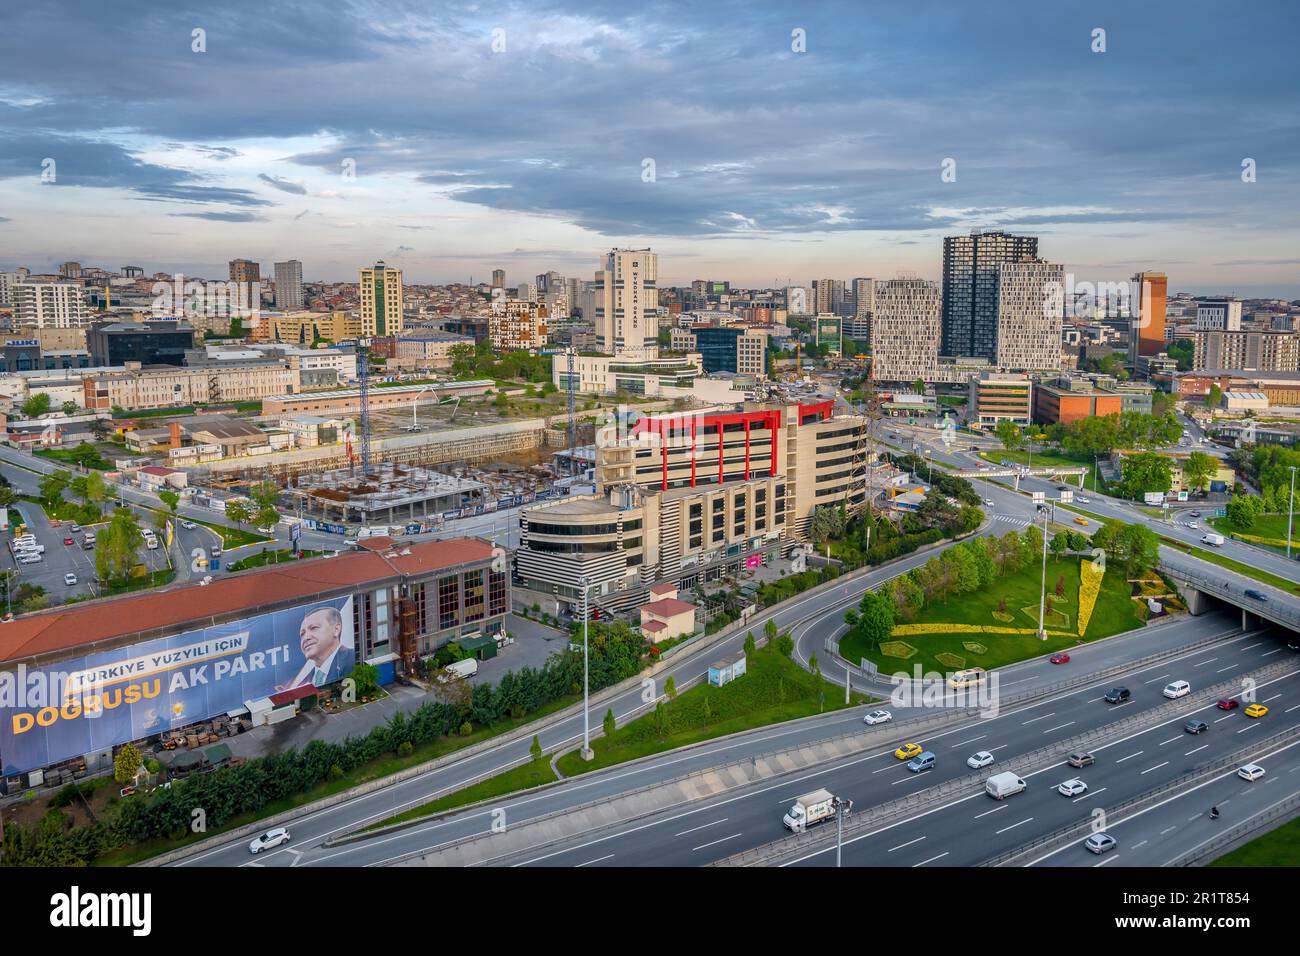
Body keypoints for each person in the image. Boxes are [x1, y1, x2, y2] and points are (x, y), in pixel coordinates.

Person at [284, 606, 354, 689]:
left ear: (336, 629)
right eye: (302, 634)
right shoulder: (303, 682)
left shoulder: (352, 659)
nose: (306, 637)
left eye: (314, 628)